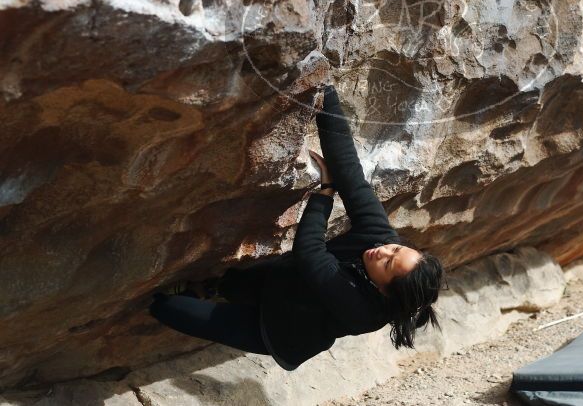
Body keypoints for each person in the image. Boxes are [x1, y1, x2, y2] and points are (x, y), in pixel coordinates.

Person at [150, 84, 444, 370]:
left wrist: (325, 191)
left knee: (165, 307)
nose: (383, 250)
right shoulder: (380, 239)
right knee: (236, 283)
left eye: (389, 263)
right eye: (396, 248)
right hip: (283, 280)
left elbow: (310, 253)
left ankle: (202, 295)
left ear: (385, 291)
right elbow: (351, 175)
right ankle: (216, 287)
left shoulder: (363, 311)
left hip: (275, 330)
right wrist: (326, 95)